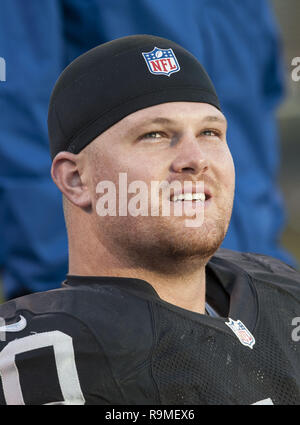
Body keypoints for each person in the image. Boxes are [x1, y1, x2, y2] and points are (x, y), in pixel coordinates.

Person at [0, 35, 299, 405]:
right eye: (154, 134)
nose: (195, 158)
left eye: (210, 132)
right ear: (77, 180)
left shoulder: (283, 291)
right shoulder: (41, 356)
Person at [0, 0, 296, 301]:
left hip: (246, 279)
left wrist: (264, 266)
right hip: (107, 294)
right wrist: (62, 283)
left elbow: (257, 110)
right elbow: (15, 108)